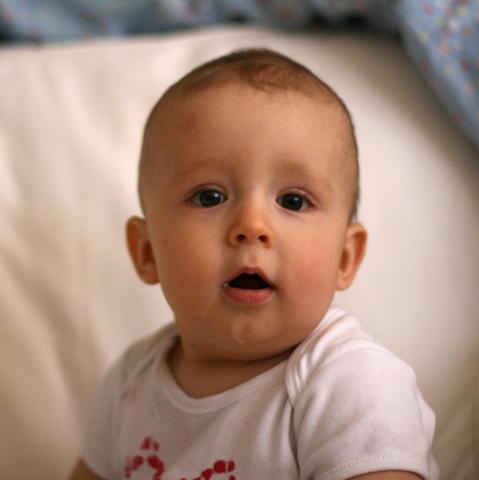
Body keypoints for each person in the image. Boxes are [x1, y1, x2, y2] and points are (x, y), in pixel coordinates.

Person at [69, 48, 437, 480]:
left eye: (293, 201)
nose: (251, 226)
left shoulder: (350, 383)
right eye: (210, 197)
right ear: (147, 252)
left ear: (344, 257)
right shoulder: (130, 383)